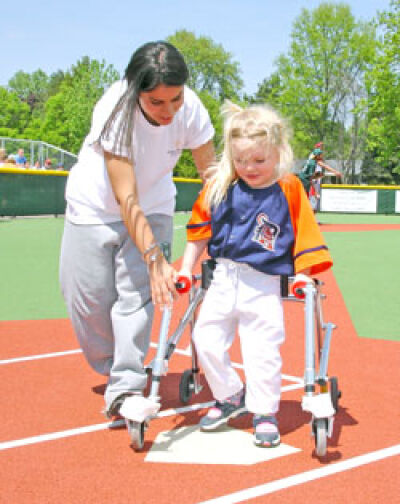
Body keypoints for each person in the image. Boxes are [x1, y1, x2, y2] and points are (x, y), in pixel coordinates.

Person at [59, 41, 215, 420]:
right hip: (94, 209)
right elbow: (125, 196)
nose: (168, 111)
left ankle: (126, 384)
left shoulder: (190, 108)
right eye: (156, 102)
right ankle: (114, 364)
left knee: (139, 295)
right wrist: (154, 256)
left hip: (157, 206)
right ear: (135, 91)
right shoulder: (115, 107)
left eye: (174, 99)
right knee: (89, 303)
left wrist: (226, 224)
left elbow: (210, 175)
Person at [178, 101, 333, 448]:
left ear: (277, 152)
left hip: (262, 284)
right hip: (223, 277)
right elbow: (199, 230)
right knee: (205, 340)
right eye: (241, 160)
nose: (249, 167)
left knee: (262, 349)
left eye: (259, 160)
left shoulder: (289, 187)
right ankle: (231, 395)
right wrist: (186, 266)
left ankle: (264, 412)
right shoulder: (221, 185)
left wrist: (304, 273)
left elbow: (305, 232)